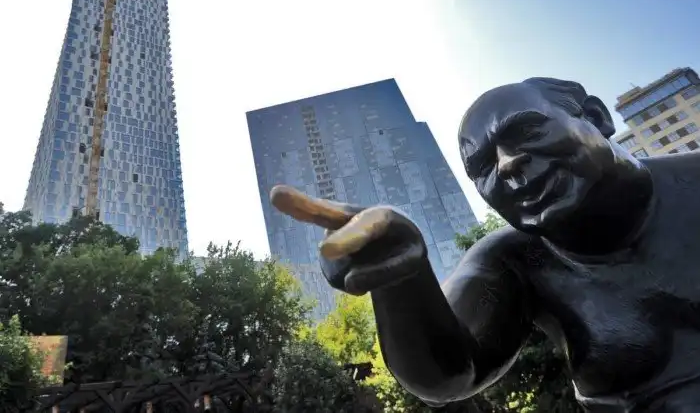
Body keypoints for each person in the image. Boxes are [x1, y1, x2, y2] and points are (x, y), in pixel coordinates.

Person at [271, 77, 700, 412]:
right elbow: (450, 374)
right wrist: (403, 283)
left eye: (527, 130)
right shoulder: (513, 259)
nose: (507, 164)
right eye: (482, 167)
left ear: (595, 117)